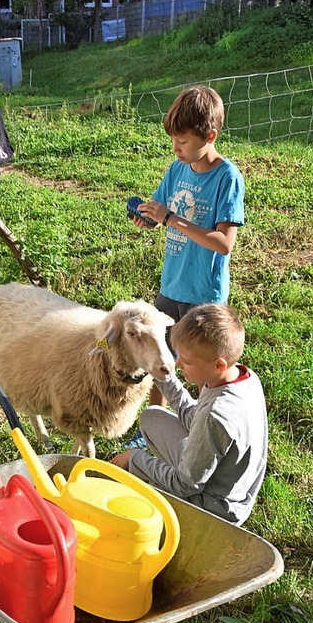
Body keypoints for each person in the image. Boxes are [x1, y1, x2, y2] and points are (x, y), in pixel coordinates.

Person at [127, 85, 245, 424]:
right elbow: (161, 213)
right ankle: (155, 420)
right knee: (161, 355)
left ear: (209, 135)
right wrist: (149, 219)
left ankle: (207, 421)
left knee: (202, 362)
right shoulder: (177, 170)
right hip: (172, 284)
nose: (176, 149)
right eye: (173, 141)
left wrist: (170, 219)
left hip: (203, 294)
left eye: (183, 142)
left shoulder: (227, 178)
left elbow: (224, 242)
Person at [111, 304, 267, 525]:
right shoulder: (242, 377)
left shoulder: (216, 416)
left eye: (187, 361)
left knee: (136, 502)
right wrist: (163, 377)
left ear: (218, 365)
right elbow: (194, 418)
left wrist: (135, 459)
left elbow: (184, 485)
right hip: (230, 482)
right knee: (152, 417)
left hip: (214, 508)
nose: (177, 363)